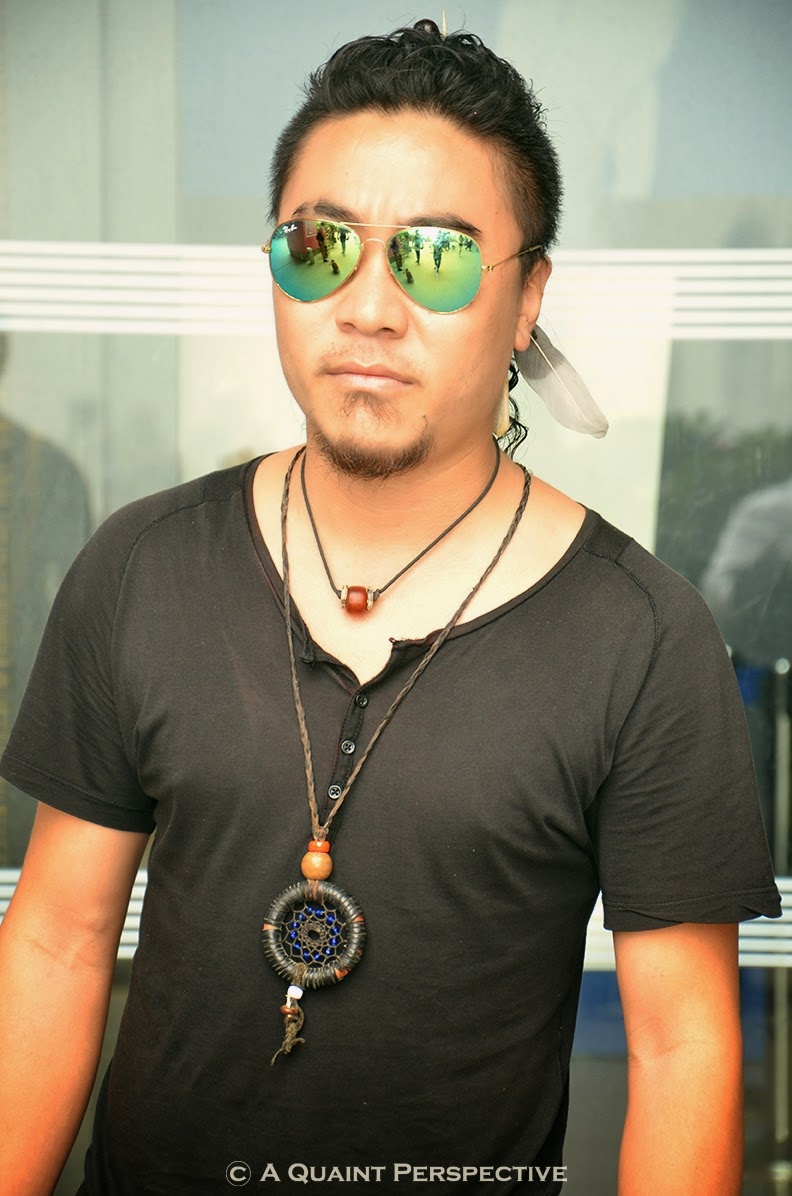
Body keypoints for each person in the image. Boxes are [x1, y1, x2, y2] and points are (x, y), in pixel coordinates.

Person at [0, 20, 781, 1196]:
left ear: (528, 297)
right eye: (319, 245)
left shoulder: (640, 636)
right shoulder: (142, 568)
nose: (368, 305)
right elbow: (58, 942)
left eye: (437, 257)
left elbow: (683, 1050)